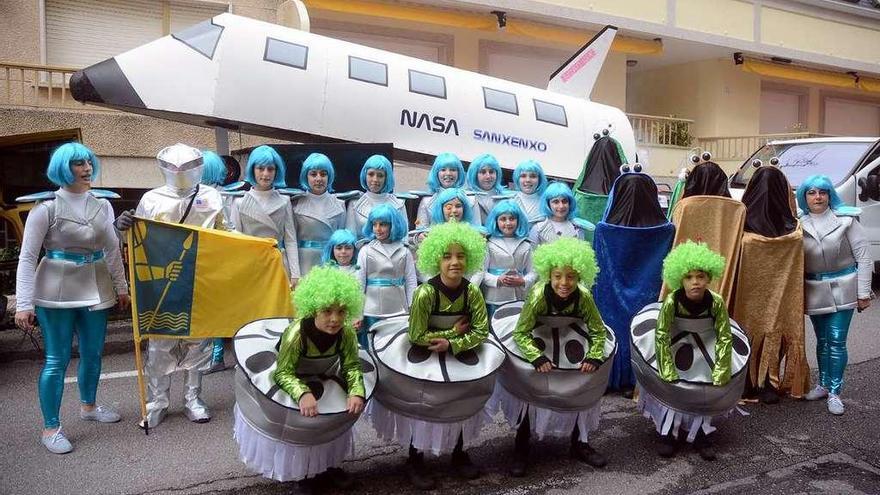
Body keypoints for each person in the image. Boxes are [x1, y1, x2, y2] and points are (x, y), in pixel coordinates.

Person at [15, 143, 130, 454]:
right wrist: (24, 303)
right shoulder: (45, 208)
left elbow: (112, 250)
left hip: (96, 284)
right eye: (79, 163)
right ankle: (51, 427)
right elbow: (27, 258)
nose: (87, 168)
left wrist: (122, 287)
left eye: (89, 162)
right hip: (55, 288)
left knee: (93, 354)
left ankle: (89, 407)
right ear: (64, 168)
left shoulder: (102, 205)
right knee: (56, 359)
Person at [369, 221, 490, 490]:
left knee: (459, 402)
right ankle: (415, 458)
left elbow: (482, 330)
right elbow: (416, 335)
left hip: (458, 356)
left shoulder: (472, 291)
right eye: (447, 256)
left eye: (460, 256)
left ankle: (458, 453)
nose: (455, 262)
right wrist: (450, 336)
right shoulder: (425, 293)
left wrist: (456, 344)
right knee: (423, 406)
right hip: (426, 359)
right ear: (436, 260)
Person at [234, 266, 366, 489]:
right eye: (327, 311)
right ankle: (302, 475)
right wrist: (302, 392)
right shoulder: (297, 334)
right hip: (291, 379)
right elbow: (283, 371)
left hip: (322, 377)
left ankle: (326, 466)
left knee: (329, 421)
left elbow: (352, 365)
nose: (334, 319)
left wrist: (356, 390)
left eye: (341, 311)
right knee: (300, 427)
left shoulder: (346, 333)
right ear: (313, 308)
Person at [133, 143, 232, 428]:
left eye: (187, 167)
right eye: (174, 168)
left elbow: (227, 233)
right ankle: (157, 402)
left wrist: (255, 248)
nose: (180, 173)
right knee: (160, 345)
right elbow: (138, 241)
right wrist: (124, 226)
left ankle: (193, 398)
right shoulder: (151, 200)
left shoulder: (212, 197)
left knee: (197, 342)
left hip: (200, 279)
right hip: (162, 282)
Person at [495, 237, 610, 476]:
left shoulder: (584, 296)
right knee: (530, 387)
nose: (564, 282)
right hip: (540, 338)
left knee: (582, 385)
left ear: (579, 276)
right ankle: (522, 444)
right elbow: (521, 331)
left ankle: (580, 443)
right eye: (558, 276)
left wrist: (595, 355)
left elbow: (598, 330)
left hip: (572, 341)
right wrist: (535, 357)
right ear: (549, 274)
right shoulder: (538, 294)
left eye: (570, 276)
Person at [642, 241, 731, 460]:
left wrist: (721, 368)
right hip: (676, 349)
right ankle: (668, 434)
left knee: (703, 388)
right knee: (674, 388)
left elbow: (724, 335)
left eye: (700, 277)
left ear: (709, 278)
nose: (695, 283)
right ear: (680, 279)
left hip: (705, 349)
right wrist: (666, 367)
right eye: (689, 277)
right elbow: (661, 334)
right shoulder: (672, 301)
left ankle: (702, 434)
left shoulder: (716, 302)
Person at [592, 170, 674, 394]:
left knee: (614, 328)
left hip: (611, 296)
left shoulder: (603, 230)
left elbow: (597, 269)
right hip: (648, 294)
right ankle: (641, 377)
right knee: (644, 330)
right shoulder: (666, 231)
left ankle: (610, 375)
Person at [732, 166, 808, 403]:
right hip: (777, 295)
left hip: (754, 295)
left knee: (752, 331)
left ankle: (752, 381)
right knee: (772, 330)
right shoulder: (795, 228)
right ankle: (765, 382)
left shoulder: (741, 224)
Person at [797, 175, 872, 415]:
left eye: (822, 192)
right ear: (804, 197)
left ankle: (835, 392)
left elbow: (864, 257)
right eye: (811, 192)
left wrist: (863, 292)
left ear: (830, 195)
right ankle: (823, 383)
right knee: (822, 342)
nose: (817, 197)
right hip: (814, 289)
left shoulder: (847, 220)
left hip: (844, 286)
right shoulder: (798, 224)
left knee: (837, 341)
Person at [355, 204, 417, 347]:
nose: (378, 228)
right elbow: (359, 283)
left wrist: (412, 307)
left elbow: (411, 281)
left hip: (398, 308)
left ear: (393, 225)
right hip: (372, 308)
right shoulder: (366, 250)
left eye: (383, 224)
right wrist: (357, 313)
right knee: (371, 346)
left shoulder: (404, 251)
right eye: (374, 224)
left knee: (395, 345)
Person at [472, 200, 535, 317]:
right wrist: (497, 279)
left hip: (519, 296)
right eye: (503, 219)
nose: (508, 223)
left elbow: (533, 271)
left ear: (518, 220)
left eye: (512, 218)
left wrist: (524, 281)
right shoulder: (488, 243)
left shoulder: (526, 244)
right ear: (496, 221)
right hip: (495, 296)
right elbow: (481, 271)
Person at [292, 153, 346, 276]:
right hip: (304, 261)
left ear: (329, 176)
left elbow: (343, 240)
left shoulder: (340, 205)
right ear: (306, 176)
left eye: (323, 174)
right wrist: (294, 272)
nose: (318, 178)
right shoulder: (296, 204)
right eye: (313, 174)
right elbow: (291, 241)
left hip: (329, 262)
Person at [345, 154, 408, 238]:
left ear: (387, 178)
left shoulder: (399, 204)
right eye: (371, 174)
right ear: (365, 175)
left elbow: (404, 237)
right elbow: (350, 237)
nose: (375, 179)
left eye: (380, 175)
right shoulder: (354, 204)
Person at [415, 152, 479, 228]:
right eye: (443, 170)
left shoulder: (471, 199)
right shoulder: (427, 201)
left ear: (459, 173)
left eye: (452, 169)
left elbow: (478, 229)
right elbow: (419, 230)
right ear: (436, 173)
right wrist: (419, 236)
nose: (448, 173)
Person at [528, 181, 593, 245]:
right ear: (548, 204)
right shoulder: (538, 228)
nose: (561, 206)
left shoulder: (577, 227)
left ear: (570, 203)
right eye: (556, 202)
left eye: (564, 201)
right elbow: (531, 254)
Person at [465, 153, 505, 221]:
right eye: (483, 172)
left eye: (491, 172)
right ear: (474, 174)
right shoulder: (465, 196)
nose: (488, 176)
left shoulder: (505, 198)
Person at [511, 159, 549, 226]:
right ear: (517, 178)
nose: (528, 180)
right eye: (523, 176)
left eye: (533, 176)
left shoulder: (546, 203)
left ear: (539, 179)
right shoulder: (509, 200)